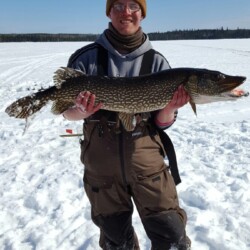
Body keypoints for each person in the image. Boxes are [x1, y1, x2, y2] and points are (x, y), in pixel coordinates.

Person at [63, 0, 191, 249]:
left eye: (133, 6)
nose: (126, 13)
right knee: (117, 243)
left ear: (142, 14)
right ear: (109, 12)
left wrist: (171, 107)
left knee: (172, 237)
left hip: (147, 165)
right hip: (102, 168)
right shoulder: (85, 58)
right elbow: (65, 113)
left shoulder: (157, 62)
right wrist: (80, 111)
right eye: (118, 5)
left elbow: (161, 123)